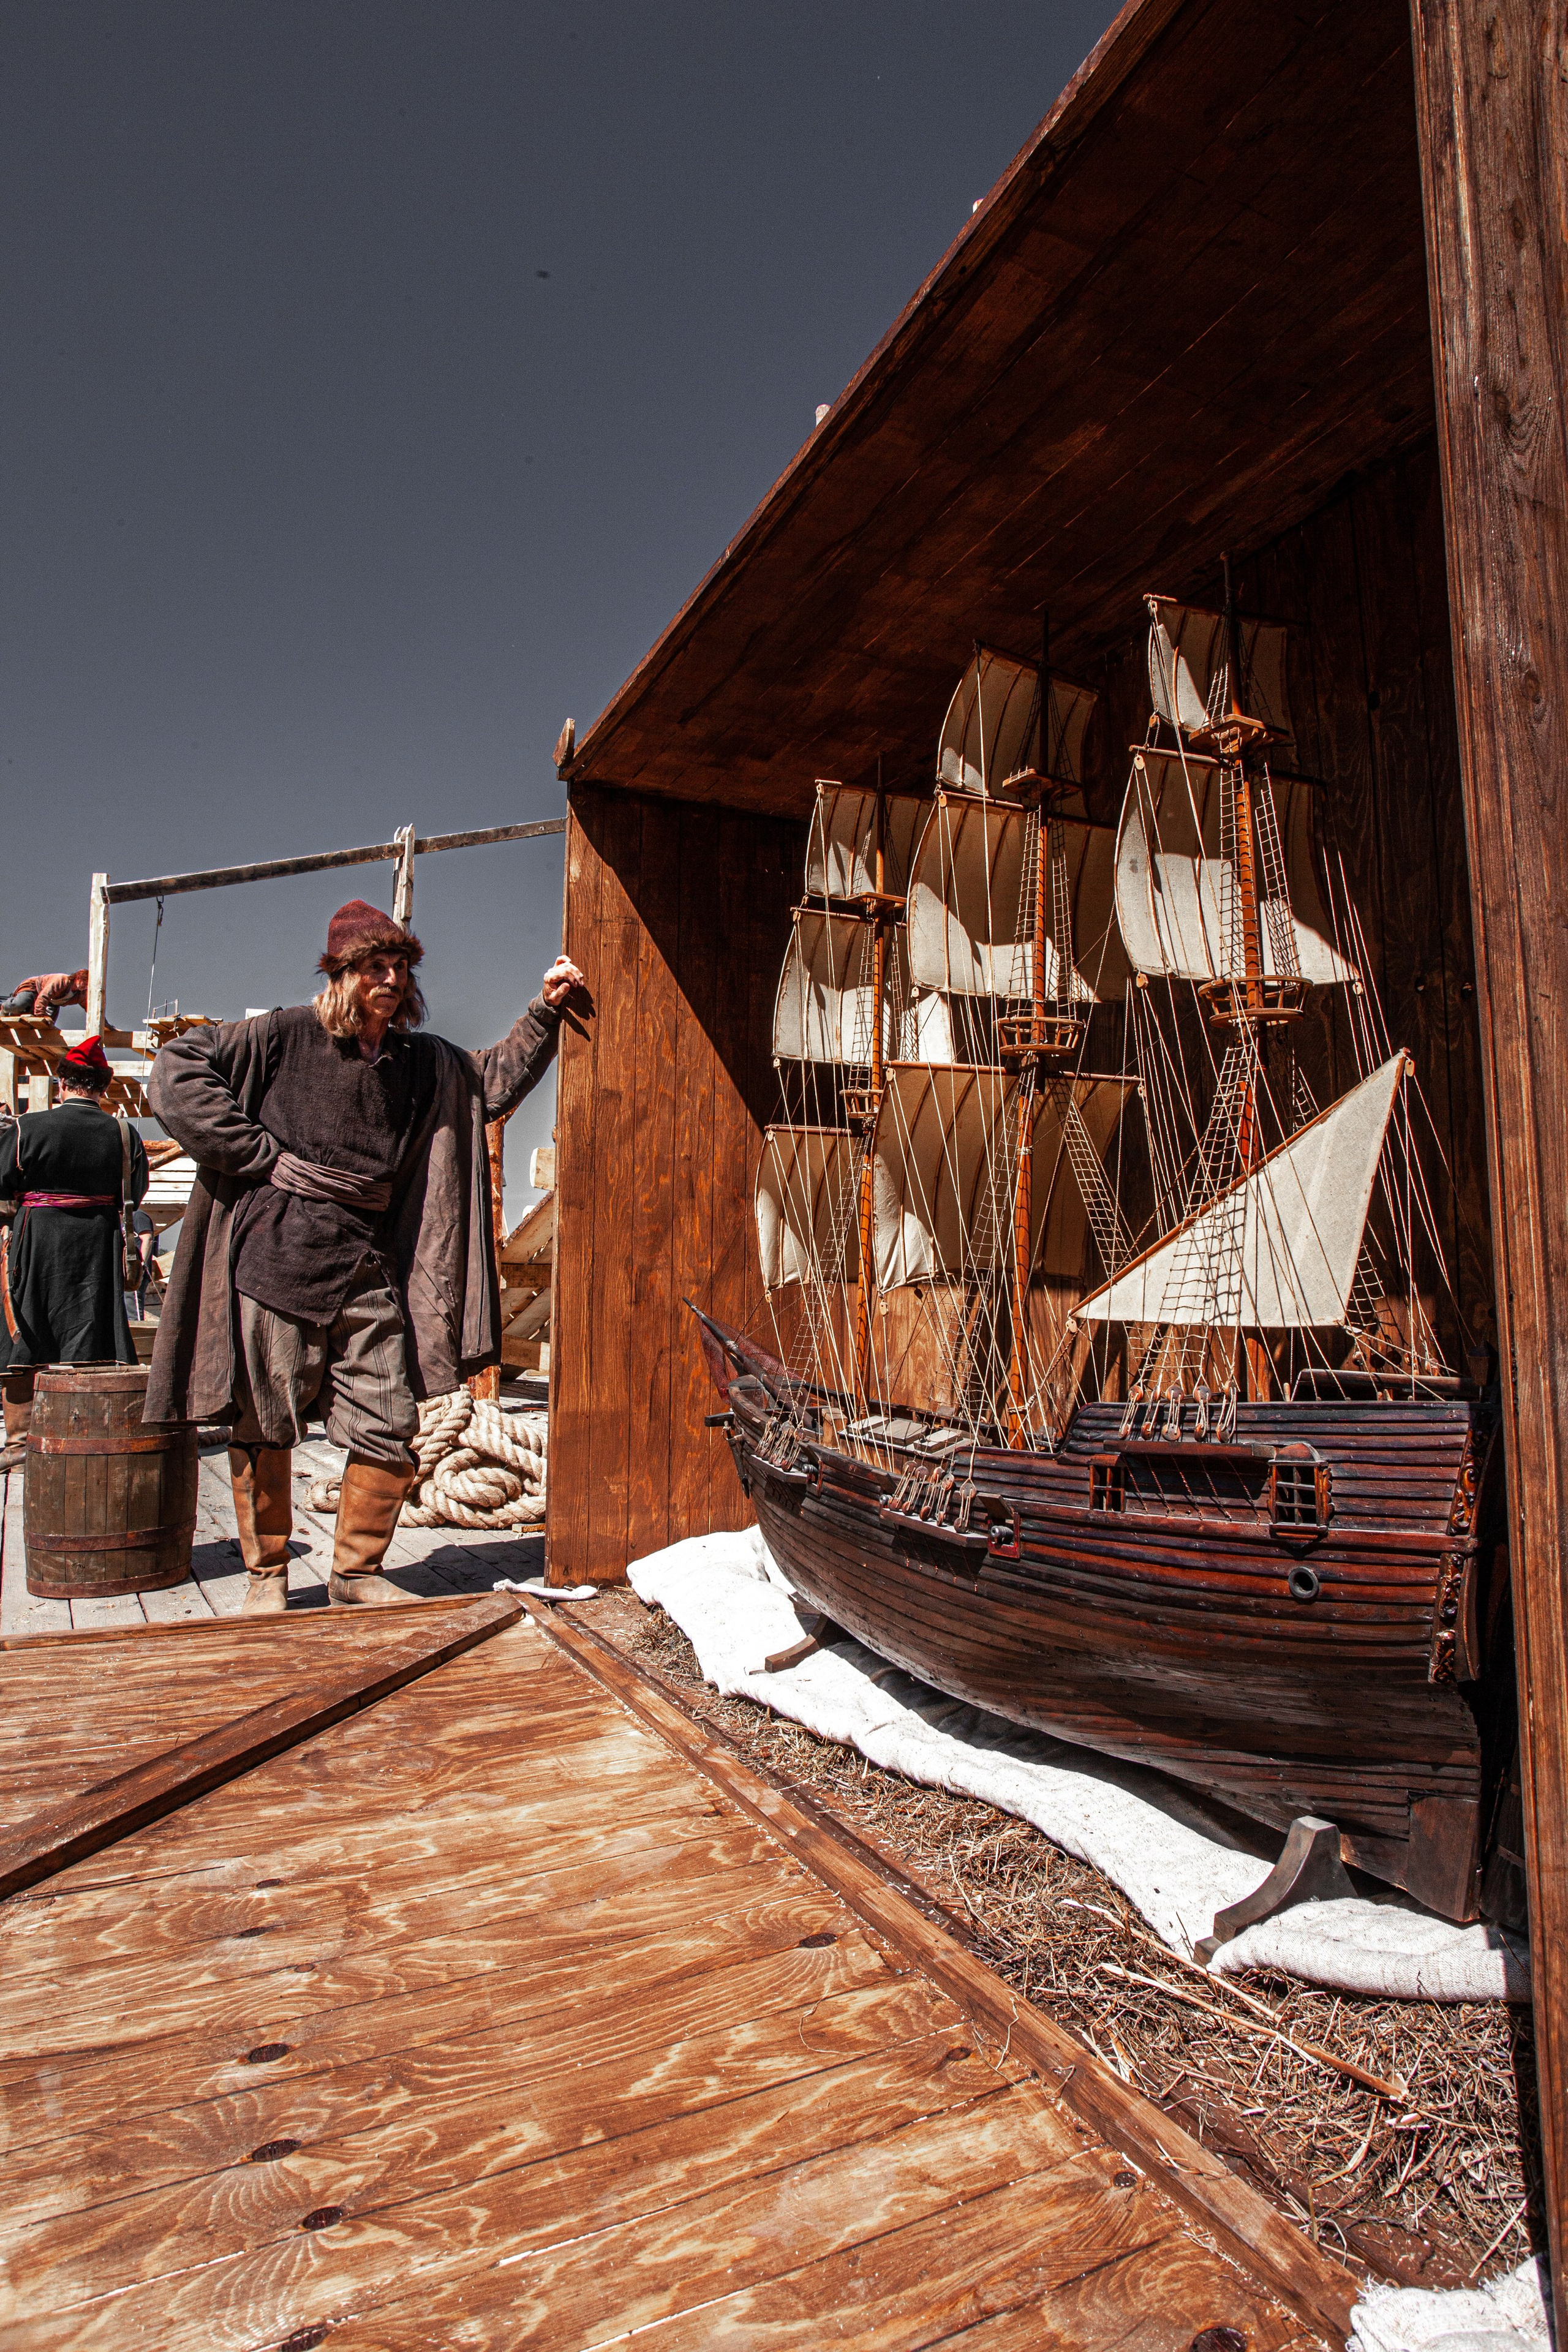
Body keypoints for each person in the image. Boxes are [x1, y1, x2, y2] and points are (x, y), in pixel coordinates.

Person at [146, 899, 585, 1613]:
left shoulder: (421, 1062)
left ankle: (355, 1572)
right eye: (375, 966)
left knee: (390, 1419)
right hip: (276, 1257)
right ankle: (266, 1577)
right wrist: (256, 1155)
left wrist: (544, 1011)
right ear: (342, 974)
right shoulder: (283, 1035)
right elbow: (177, 1068)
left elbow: (490, 1083)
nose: (390, 978)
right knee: (265, 1421)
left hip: (368, 1264)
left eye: (401, 966)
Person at [0, 1037, 149, 1471]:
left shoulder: (28, 1127)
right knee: (92, 1326)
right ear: (102, 1088)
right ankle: (84, 1433)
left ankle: (18, 1443)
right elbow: (135, 1193)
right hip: (98, 1242)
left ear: (61, 1083)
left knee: (28, 1326)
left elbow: (1, 1181)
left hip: (38, 1238)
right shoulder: (124, 1133)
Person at [0, 969, 91, 1020]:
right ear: (78, 978)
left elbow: (91, 1009)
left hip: (51, 1003)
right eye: (84, 982)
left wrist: (104, 1026)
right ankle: (4, 1007)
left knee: (49, 1023)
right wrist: (40, 1016)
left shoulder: (80, 995)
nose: (85, 986)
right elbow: (44, 996)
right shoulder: (61, 981)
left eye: (87, 985)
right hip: (35, 989)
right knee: (19, 1005)